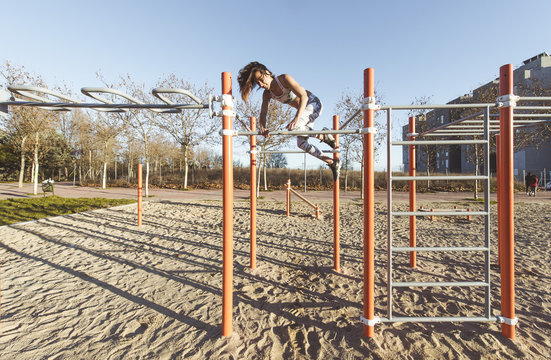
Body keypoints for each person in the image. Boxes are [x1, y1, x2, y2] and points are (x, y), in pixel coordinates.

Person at [237, 62, 341, 181]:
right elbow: (263, 112)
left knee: (294, 128)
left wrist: (296, 118)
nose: (261, 84)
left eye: (261, 79)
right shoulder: (267, 94)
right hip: (304, 113)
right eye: (258, 83)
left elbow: (303, 96)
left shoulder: (284, 79)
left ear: (267, 73)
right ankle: (332, 162)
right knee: (301, 144)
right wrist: (262, 127)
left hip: (313, 104)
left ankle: (323, 135)